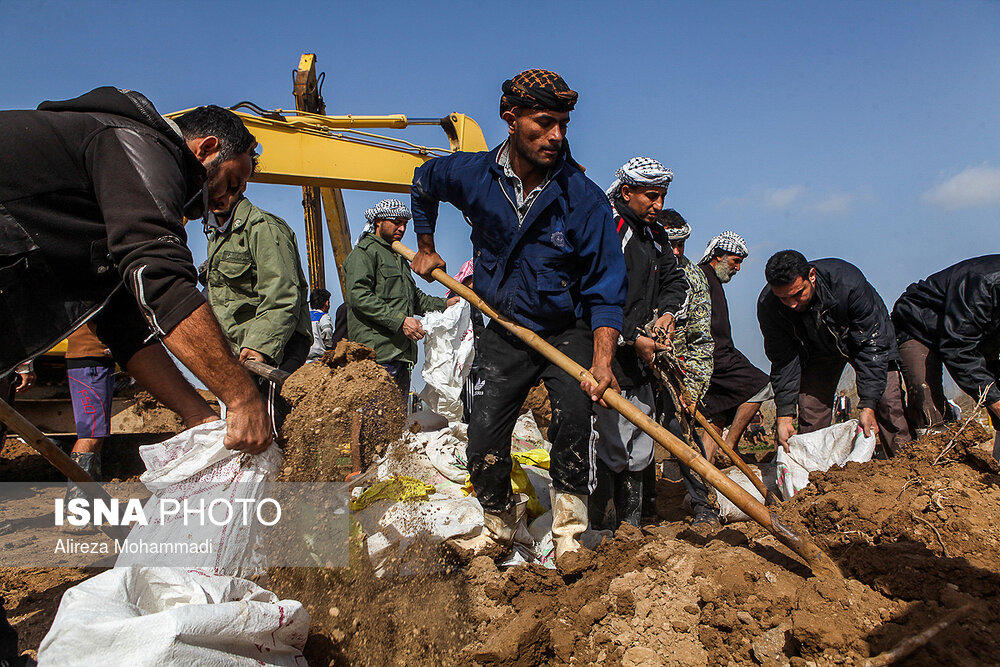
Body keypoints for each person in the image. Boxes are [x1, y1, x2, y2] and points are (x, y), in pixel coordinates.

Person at [408, 69, 627, 569]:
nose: (556, 136)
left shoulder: (583, 199)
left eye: (563, 126)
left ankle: (570, 535)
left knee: (573, 420)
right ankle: (498, 528)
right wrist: (425, 247)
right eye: (544, 123)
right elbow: (423, 181)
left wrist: (601, 360)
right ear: (510, 119)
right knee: (483, 431)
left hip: (565, 330)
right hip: (502, 326)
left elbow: (606, 288)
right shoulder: (472, 176)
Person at [589, 158, 686, 531]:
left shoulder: (656, 236)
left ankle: (630, 529)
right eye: (651, 196)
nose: (658, 205)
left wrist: (667, 315)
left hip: (642, 364)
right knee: (610, 444)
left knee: (639, 446)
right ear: (627, 192)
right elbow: (598, 295)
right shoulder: (610, 230)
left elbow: (675, 282)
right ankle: (602, 528)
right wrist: (632, 336)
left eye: (662, 196)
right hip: (607, 358)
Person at [758, 250, 914, 455]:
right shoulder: (769, 305)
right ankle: (813, 475)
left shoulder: (847, 283)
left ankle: (905, 464)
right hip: (816, 351)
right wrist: (784, 413)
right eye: (784, 298)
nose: (792, 304)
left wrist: (868, 404)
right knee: (811, 411)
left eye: (797, 294)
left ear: (811, 276)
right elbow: (783, 360)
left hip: (865, 340)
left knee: (888, 403)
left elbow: (872, 346)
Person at [205, 195, 312, 429]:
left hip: (275, 348)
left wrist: (260, 346)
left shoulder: (264, 228)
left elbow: (282, 295)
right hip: (241, 349)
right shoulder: (217, 234)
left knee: (269, 430)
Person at [344, 199, 452, 398]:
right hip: (376, 355)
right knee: (376, 420)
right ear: (378, 221)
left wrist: (446, 304)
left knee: (394, 421)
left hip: (400, 355)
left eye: (405, 224)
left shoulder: (398, 257)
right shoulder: (364, 254)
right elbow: (358, 296)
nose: (402, 228)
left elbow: (415, 298)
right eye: (396, 222)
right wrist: (400, 321)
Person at [891, 256, 1000, 452]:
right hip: (920, 325)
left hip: (978, 335)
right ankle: (932, 465)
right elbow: (958, 348)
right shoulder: (984, 282)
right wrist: (994, 400)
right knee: (925, 397)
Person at [660, 209, 719, 526]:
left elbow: (702, 341)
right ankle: (635, 510)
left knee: (679, 430)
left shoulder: (693, 279)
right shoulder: (636, 267)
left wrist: (692, 388)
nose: (678, 252)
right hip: (636, 362)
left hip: (676, 370)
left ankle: (703, 504)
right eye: (671, 244)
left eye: (682, 244)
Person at [698, 232, 773, 461]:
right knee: (762, 385)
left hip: (716, 355)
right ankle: (728, 447)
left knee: (718, 418)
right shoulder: (702, 277)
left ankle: (701, 483)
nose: (738, 268)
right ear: (718, 256)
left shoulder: (711, 279)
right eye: (735, 261)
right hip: (714, 356)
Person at [64, 323, 116, 495]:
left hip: (95, 361)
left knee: (96, 435)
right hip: (91, 362)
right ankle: (77, 504)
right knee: (91, 435)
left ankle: (90, 500)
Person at [308, 288, 335, 362]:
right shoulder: (324, 317)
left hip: (304, 357)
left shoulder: (306, 317)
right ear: (326, 303)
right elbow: (327, 330)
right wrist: (329, 347)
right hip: (318, 357)